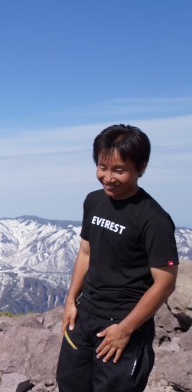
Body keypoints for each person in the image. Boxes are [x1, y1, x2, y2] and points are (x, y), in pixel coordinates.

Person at [56, 125, 179, 391]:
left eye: (119, 170)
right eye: (102, 167)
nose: (108, 177)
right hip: (84, 316)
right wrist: (70, 301)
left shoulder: (154, 219)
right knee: (69, 385)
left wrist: (125, 330)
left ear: (141, 168)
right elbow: (86, 253)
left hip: (123, 325)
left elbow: (165, 283)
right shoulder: (94, 201)